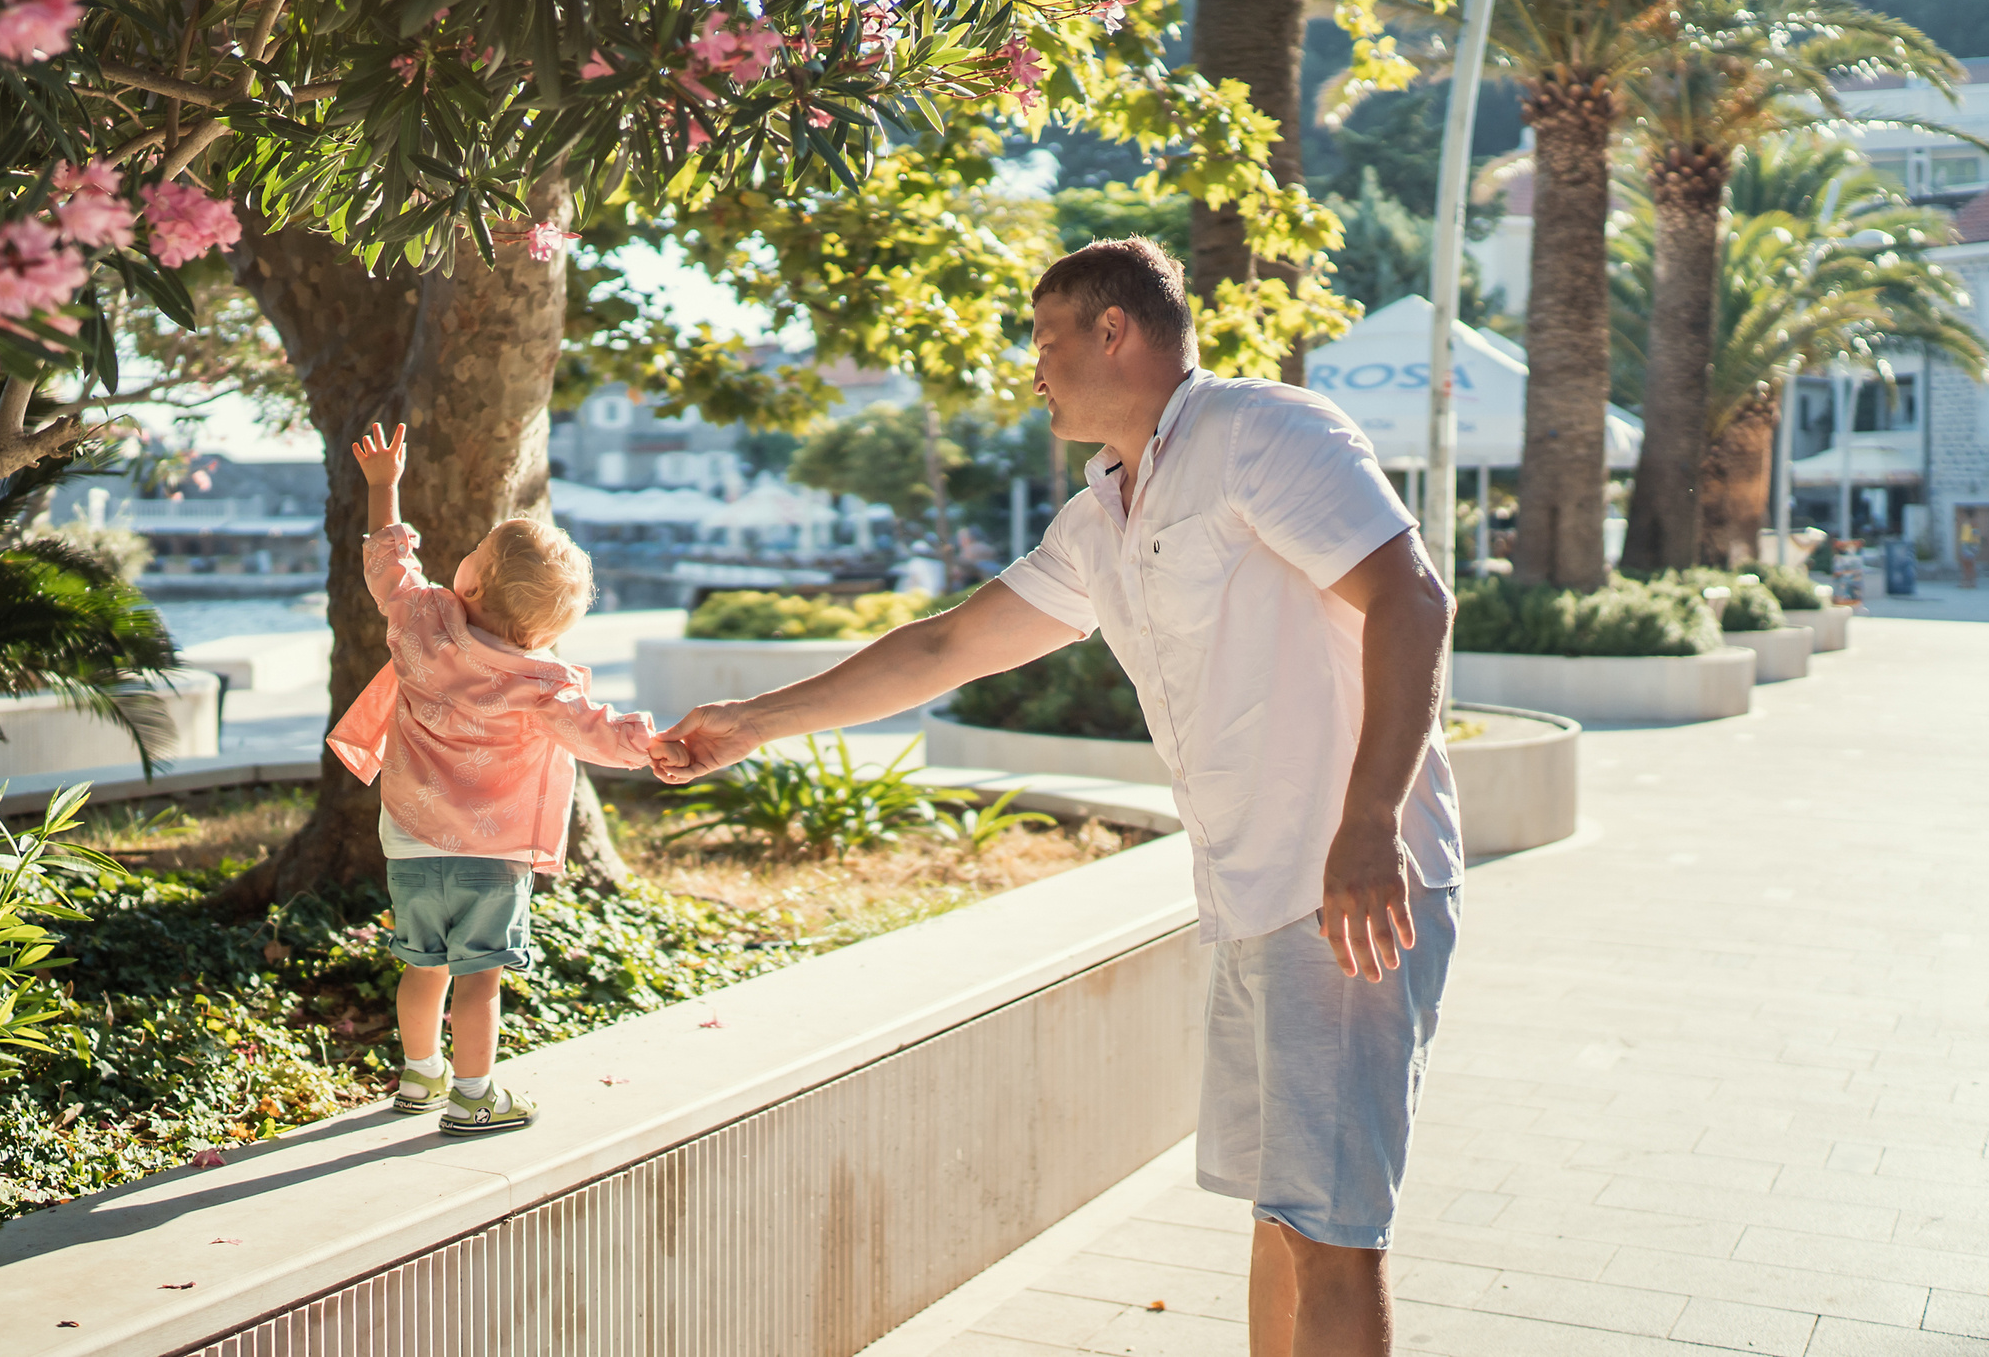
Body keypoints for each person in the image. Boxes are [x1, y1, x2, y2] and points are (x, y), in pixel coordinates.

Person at [654, 238, 1462, 1357]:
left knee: (1334, 1232)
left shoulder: (1263, 433)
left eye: (1044, 342)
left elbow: (1412, 601)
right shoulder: (1101, 518)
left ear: (1112, 332)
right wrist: (750, 724)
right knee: (1283, 1220)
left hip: (1344, 892)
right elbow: (945, 646)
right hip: (1246, 899)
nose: (1032, 370)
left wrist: (1369, 823)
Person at [328, 422, 660, 1136]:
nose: (463, 557)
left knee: (422, 967)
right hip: (491, 852)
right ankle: (474, 1094)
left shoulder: (419, 624)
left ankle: (419, 1078)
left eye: (471, 553)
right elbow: (598, 732)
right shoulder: (540, 680)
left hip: (411, 837)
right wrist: (655, 744)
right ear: (540, 632)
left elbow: (387, 563)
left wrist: (385, 484)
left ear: (469, 580)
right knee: (479, 978)